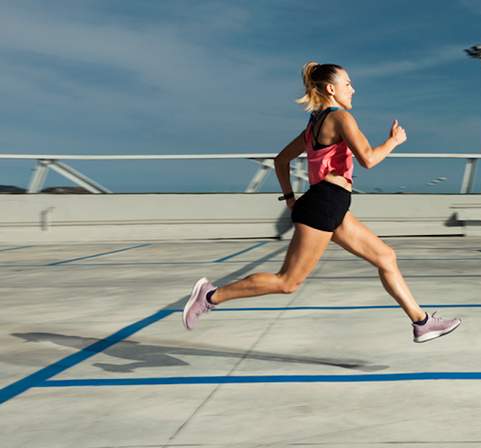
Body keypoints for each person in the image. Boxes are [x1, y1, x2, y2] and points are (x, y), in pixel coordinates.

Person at [182, 62, 461, 343]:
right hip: (324, 204)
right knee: (288, 282)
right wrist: (393, 141)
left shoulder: (315, 123)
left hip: (332, 205)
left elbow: (281, 161)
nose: (353, 89)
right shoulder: (340, 119)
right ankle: (209, 295)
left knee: (386, 257)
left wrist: (290, 199)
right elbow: (368, 159)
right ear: (331, 88)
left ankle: (422, 322)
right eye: (348, 84)